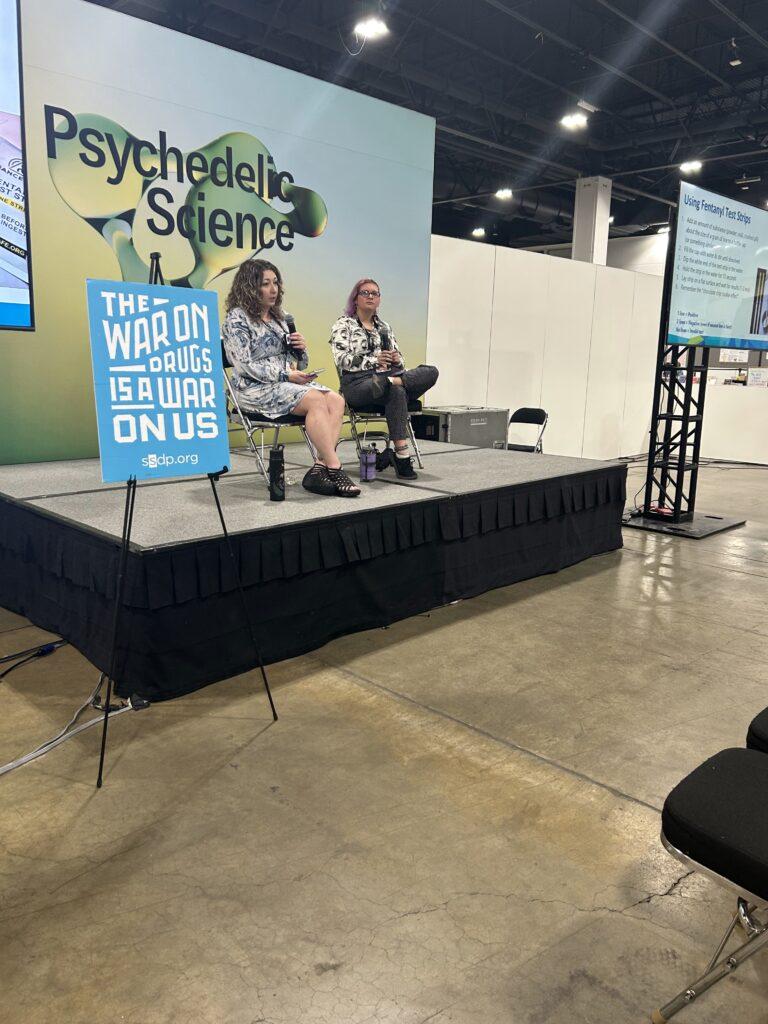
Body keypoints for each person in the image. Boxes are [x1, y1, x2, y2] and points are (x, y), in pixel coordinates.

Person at [222, 259, 360, 497]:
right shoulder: (237, 318)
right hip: (253, 388)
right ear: (250, 287)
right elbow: (244, 366)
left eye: (276, 283)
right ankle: (335, 467)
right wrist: (285, 374)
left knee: (336, 400)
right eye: (265, 283)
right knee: (316, 399)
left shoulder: (281, 318)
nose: (273, 289)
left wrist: (301, 349)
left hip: (285, 383)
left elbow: (299, 363)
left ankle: (319, 468)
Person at [330, 279, 439, 479]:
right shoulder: (343, 324)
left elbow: (401, 360)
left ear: (379, 299)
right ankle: (403, 457)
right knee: (394, 389)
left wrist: (397, 360)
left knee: (431, 372)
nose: (370, 296)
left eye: (375, 293)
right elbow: (342, 360)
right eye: (365, 292)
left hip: (388, 377)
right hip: (357, 383)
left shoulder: (384, 327)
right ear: (355, 298)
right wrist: (374, 361)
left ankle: (394, 382)